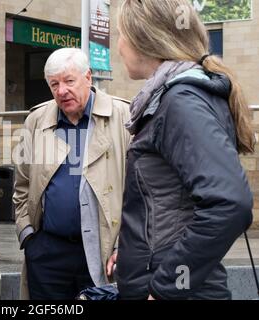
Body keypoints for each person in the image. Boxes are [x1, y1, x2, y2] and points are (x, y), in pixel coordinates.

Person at [108, 0, 254, 300]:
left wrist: (165, 289)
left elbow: (230, 204)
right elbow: (167, 203)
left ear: (144, 39)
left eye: (121, 34)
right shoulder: (170, 98)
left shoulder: (181, 101)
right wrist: (130, 250)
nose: (119, 46)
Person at [13, 48, 131, 300]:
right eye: (54, 84)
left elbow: (141, 192)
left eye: (69, 81)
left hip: (103, 250)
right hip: (47, 253)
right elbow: (21, 185)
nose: (61, 91)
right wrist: (28, 237)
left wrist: (126, 245)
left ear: (88, 77)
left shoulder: (123, 117)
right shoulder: (36, 120)